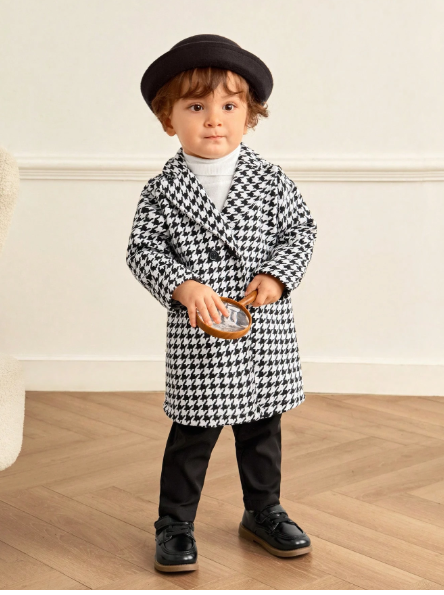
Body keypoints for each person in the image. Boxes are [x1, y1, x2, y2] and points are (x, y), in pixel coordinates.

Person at [126, 34, 318, 573]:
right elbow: (142, 249)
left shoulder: (270, 181)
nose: (214, 120)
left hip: (261, 333)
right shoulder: (162, 190)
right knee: (193, 435)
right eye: (196, 107)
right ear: (168, 120)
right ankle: (174, 523)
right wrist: (181, 285)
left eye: (229, 107)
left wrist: (277, 276)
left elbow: (300, 232)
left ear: (249, 116)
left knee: (262, 430)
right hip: (200, 335)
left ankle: (263, 511)